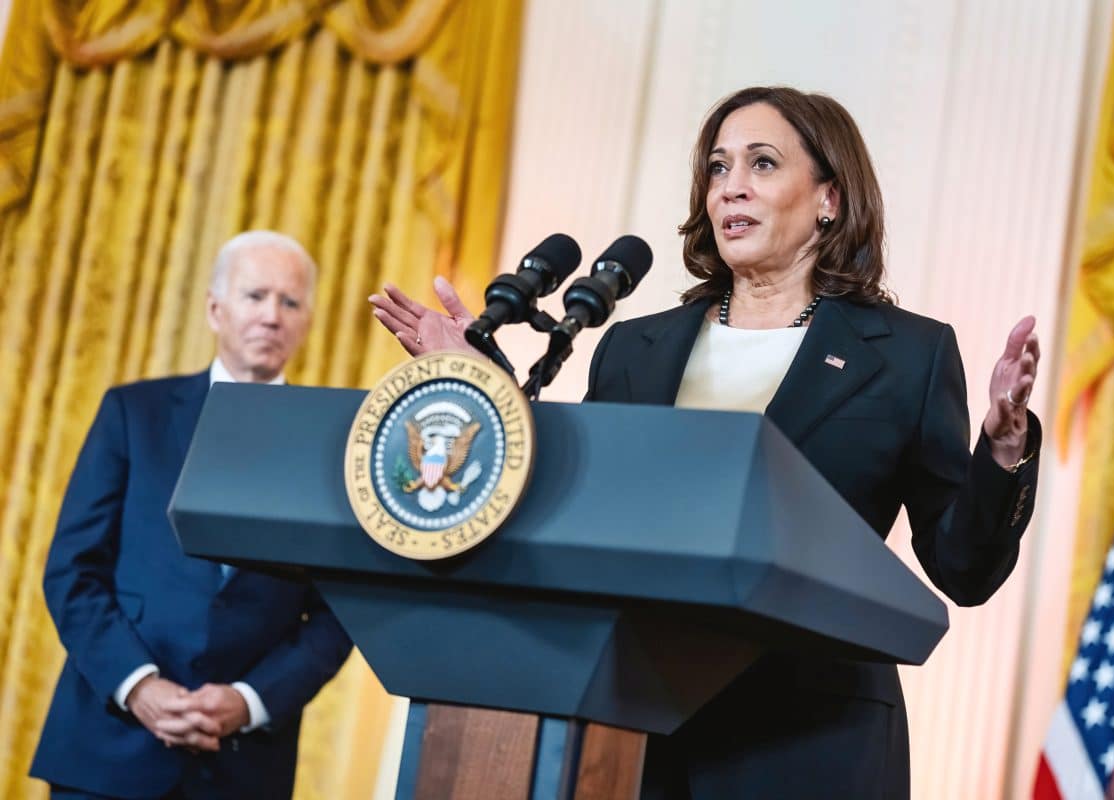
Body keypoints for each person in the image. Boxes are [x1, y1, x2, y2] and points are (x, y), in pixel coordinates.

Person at [369, 86, 1041, 799]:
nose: (731, 188)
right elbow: (579, 499)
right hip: (634, 727)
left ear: (829, 200)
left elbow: (963, 569)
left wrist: (1001, 448)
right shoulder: (635, 346)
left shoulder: (907, 354)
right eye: (718, 168)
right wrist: (486, 386)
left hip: (812, 738)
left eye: (761, 164)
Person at [32, 231, 353, 799]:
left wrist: (250, 702)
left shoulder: (336, 449)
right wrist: (139, 686)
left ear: (306, 322)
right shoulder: (134, 412)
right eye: (255, 296)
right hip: (108, 745)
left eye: (290, 302)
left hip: (241, 766)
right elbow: (73, 572)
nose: (272, 316)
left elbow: (337, 615)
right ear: (215, 309)